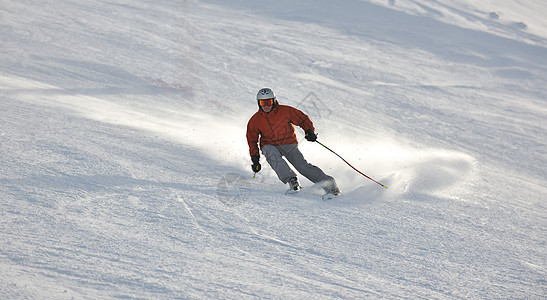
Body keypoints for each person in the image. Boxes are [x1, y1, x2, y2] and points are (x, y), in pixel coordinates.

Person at [246, 88, 340, 195]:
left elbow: (302, 119)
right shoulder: (255, 120)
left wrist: (309, 131)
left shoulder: (285, 111)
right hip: (269, 145)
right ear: (258, 103)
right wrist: (255, 158)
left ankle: (329, 185)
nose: (266, 106)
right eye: (263, 103)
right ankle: (292, 180)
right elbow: (252, 140)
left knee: (302, 166)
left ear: (274, 101)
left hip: (288, 143)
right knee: (270, 152)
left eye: (269, 102)